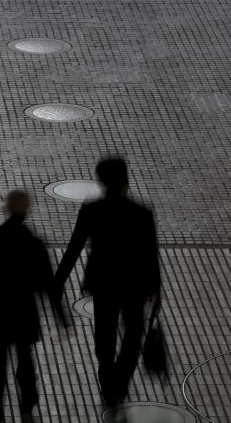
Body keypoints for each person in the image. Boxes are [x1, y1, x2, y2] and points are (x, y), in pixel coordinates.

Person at [52, 158, 161, 409]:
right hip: (135, 286)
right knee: (133, 335)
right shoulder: (142, 213)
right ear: (126, 181)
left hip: (103, 284)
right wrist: (156, 287)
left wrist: (58, 281)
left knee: (105, 335)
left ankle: (106, 376)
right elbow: (149, 253)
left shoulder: (91, 210)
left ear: (101, 181)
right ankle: (120, 382)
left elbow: (74, 247)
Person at [0, 191, 59, 423]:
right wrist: (62, 316)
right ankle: (27, 402)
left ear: (6, 209)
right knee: (25, 358)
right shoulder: (34, 244)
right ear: (26, 212)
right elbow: (47, 283)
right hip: (23, 315)